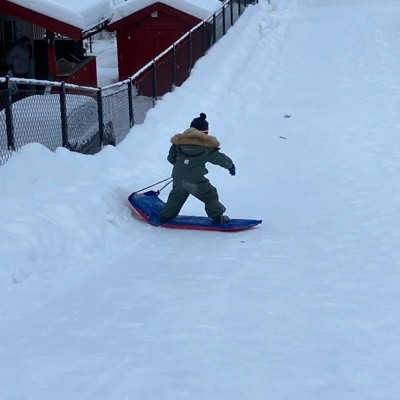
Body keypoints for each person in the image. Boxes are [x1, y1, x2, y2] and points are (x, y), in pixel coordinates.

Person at [159, 113, 236, 224]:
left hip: (178, 177)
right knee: (210, 195)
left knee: (176, 197)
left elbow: (171, 158)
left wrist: (183, 167)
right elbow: (219, 158)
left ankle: (165, 216)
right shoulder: (206, 147)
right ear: (204, 133)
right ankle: (217, 218)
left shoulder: (178, 143)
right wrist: (230, 165)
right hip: (195, 180)